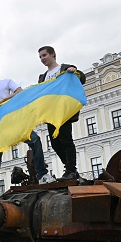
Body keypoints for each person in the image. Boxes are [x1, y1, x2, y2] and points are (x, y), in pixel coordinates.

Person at [0, 59, 54, 199]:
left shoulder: (6, 82)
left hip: (14, 123)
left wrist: (3, 100)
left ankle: (42, 175)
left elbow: (19, 92)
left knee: (35, 140)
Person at [38, 46, 87, 181]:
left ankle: (70, 170)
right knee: (54, 143)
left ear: (53, 54)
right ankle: (71, 169)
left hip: (63, 111)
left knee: (66, 139)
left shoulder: (65, 68)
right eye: (40, 57)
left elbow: (82, 78)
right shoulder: (43, 77)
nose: (42, 59)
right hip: (50, 114)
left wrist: (74, 71)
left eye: (44, 55)